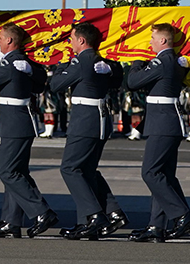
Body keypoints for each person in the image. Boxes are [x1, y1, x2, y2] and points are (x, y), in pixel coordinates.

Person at [48, 23, 127, 240]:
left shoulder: (81, 61)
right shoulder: (101, 61)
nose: (70, 42)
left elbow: (56, 85)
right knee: (87, 171)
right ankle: (106, 214)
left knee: (70, 168)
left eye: (72, 38)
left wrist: (61, 65)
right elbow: (118, 78)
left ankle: (94, 216)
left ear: (82, 40)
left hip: (85, 121)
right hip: (99, 119)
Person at [0, 23, 58, 239]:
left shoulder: (9, 63)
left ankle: (42, 212)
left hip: (15, 124)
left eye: (0, 38)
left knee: (8, 173)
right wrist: (31, 71)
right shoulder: (24, 62)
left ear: (9, 41)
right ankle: (11, 221)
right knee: (17, 173)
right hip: (20, 122)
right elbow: (40, 83)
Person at [124, 23, 190, 242]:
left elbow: (132, 82)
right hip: (167, 122)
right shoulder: (174, 61)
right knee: (162, 175)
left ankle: (183, 216)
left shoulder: (162, 61)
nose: (149, 43)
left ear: (163, 41)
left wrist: (137, 60)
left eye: (152, 38)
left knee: (150, 173)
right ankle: (157, 225)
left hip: (163, 123)